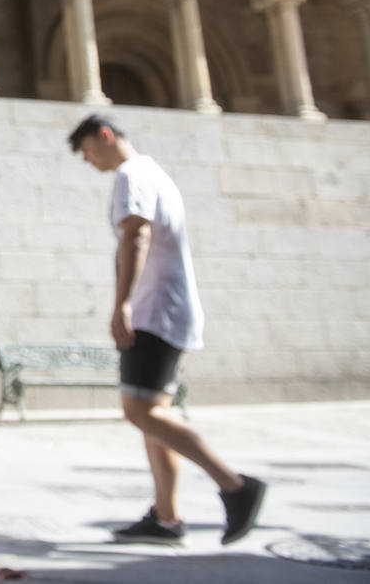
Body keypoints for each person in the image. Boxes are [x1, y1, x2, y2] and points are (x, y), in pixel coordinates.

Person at [68, 114, 266, 546]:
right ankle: (166, 517)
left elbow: (135, 235)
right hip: (169, 311)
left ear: (105, 136)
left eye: (86, 150)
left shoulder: (131, 174)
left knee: (140, 412)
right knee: (153, 418)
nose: (87, 160)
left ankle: (234, 485)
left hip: (154, 312)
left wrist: (122, 303)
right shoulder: (155, 173)